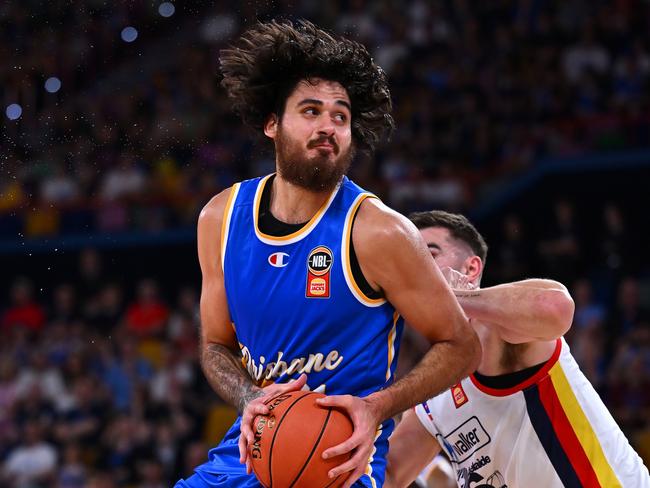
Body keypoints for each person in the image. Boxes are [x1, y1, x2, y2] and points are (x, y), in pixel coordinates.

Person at [174, 20, 481, 488]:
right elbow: (216, 345)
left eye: (340, 116)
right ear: (272, 123)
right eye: (311, 111)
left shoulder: (378, 232)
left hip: (338, 464)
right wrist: (247, 396)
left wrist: (376, 407)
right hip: (250, 453)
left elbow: (462, 345)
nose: (328, 127)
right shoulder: (219, 218)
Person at [385, 210, 650, 488]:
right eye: (410, 261)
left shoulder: (499, 330)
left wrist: (451, 297)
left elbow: (557, 309)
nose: (416, 270)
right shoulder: (431, 392)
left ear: (471, 269)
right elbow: (389, 474)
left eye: (430, 254)